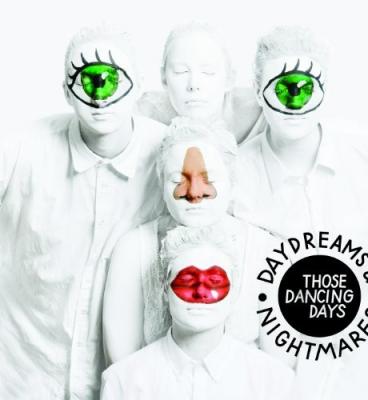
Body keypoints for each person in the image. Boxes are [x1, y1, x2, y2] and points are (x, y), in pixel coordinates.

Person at [232, 25, 368, 400]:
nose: (295, 103)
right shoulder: (235, 175)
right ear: (258, 90)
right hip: (282, 360)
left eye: (306, 87)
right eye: (282, 88)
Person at [0, 24, 166, 399]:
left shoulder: (168, 156)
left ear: (138, 86)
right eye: (86, 80)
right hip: (21, 379)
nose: (98, 95)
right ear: (66, 92)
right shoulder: (22, 150)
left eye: (112, 79)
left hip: (122, 385)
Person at [102, 118, 279, 364]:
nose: (194, 193)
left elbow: (278, 369)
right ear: (161, 184)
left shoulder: (268, 253)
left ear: (232, 182)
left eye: (210, 180)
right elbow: (122, 365)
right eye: (177, 181)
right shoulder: (133, 250)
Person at [101, 225, 294, 400]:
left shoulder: (275, 382)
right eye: (186, 281)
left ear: (234, 292)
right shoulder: (122, 381)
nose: (201, 292)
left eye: (215, 282)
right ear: (165, 289)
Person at [137, 21, 262, 144]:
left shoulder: (261, 110)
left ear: (230, 79)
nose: (193, 84)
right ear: (164, 78)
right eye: (181, 71)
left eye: (208, 72)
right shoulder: (144, 117)